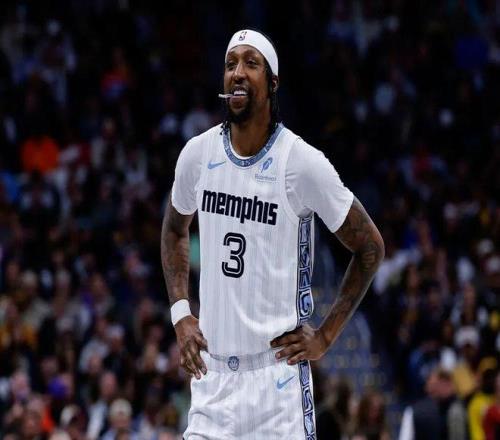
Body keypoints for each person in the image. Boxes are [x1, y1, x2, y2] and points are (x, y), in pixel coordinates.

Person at [161, 29, 384, 439]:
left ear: (273, 82)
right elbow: (175, 228)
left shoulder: (301, 163)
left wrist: (326, 336)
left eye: (251, 63)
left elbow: (369, 247)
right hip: (213, 381)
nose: (238, 72)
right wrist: (181, 314)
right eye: (231, 64)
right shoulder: (197, 154)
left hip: (276, 384)